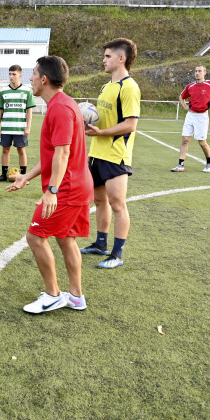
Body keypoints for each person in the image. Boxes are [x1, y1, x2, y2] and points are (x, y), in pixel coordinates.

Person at [7, 56, 93, 314]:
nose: (30, 78)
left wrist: (52, 191)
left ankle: (53, 295)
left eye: (33, 74)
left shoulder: (60, 108)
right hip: (76, 185)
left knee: (35, 237)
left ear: (44, 79)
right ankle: (76, 297)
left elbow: (63, 154)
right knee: (66, 239)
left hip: (67, 189)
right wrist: (27, 177)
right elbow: (53, 154)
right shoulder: (64, 104)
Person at [81, 38, 141, 270]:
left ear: (121, 58)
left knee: (118, 204)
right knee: (99, 200)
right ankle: (100, 244)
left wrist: (102, 132)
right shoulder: (107, 87)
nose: (103, 60)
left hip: (116, 155)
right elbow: (100, 121)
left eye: (107, 56)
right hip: (97, 153)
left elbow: (130, 124)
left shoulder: (129, 87)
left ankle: (117, 254)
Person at [171, 65, 210, 173]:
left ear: (204, 73)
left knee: (202, 142)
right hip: (190, 115)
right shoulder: (191, 86)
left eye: (200, 71)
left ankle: (209, 163)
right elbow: (181, 96)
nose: (197, 73)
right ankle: (181, 165)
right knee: (185, 140)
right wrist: (184, 106)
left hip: (202, 116)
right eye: (196, 71)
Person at [0, 64, 36, 182]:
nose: (11, 76)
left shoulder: (27, 91)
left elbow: (29, 111)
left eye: (14, 74)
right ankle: (3, 174)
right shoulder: (3, 91)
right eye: (10, 74)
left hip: (20, 128)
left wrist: (28, 127)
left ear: (20, 75)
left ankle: (24, 177)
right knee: (5, 150)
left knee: (21, 150)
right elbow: (0, 109)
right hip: (6, 127)